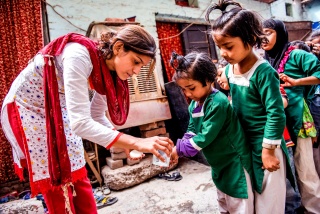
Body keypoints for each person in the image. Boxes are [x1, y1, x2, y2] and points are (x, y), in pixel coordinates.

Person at [0, 25, 174, 214]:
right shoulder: (79, 55)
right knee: (57, 174)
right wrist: (138, 142)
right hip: (28, 109)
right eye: (136, 62)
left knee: (76, 167)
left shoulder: (109, 73)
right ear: (118, 48)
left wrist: (127, 146)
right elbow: (81, 123)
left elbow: (95, 116)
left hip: (59, 108)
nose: (136, 72)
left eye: (142, 66)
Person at [205, 1, 294, 213]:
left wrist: (269, 151)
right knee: (251, 199)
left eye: (228, 46)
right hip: (243, 145)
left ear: (250, 39)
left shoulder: (263, 72)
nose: (224, 53)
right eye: (220, 47)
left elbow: (275, 113)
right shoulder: (230, 69)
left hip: (265, 145)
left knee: (269, 202)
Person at [169, 51, 254, 213]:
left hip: (234, 162)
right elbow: (192, 129)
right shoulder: (194, 105)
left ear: (208, 80)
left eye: (191, 88)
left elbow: (204, 137)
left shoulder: (218, 103)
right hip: (219, 162)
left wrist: (178, 150)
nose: (187, 94)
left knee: (239, 203)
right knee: (224, 201)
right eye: (183, 90)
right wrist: (179, 146)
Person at [262, 18, 320, 213]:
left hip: (298, 121)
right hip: (278, 126)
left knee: (305, 171)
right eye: (260, 33)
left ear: (280, 33)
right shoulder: (265, 60)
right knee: (285, 174)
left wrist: (297, 82)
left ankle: (314, 209)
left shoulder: (296, 55)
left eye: (269, 32)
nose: (263, 37)